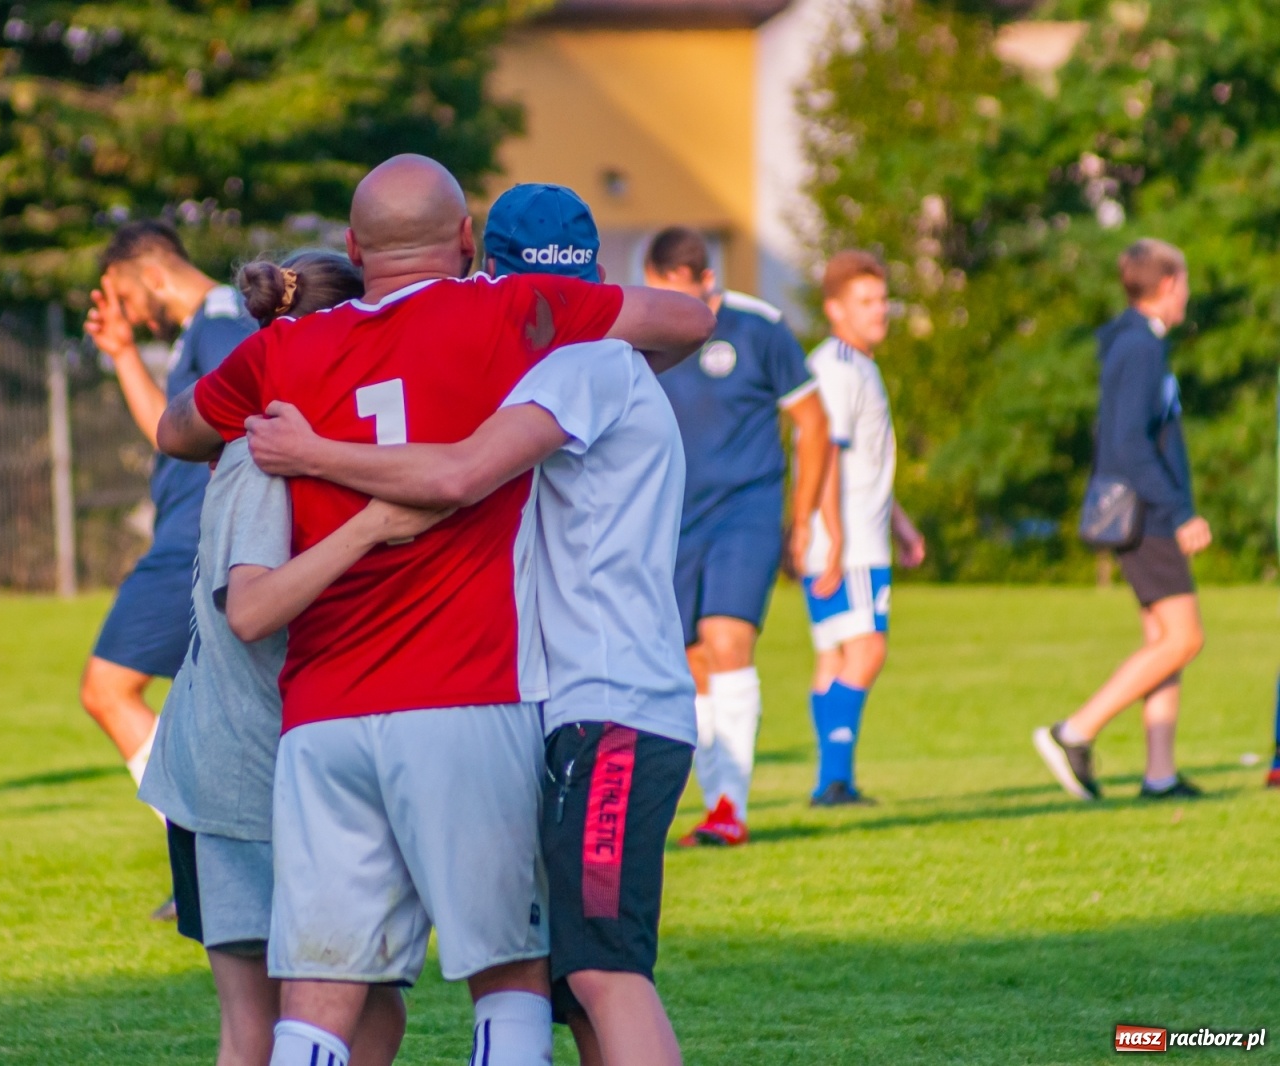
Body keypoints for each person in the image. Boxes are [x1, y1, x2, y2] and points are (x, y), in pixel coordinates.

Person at [157, 155, 713, 1066]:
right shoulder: (514, 317)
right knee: (514, 975)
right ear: (464, 245)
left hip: (322, 717)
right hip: (469, 696)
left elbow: (177, 430)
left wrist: (267, 410)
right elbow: (686, 319)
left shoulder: (282, 354)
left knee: (320, 999)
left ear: (350, 244)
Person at [140, 252, 420, 1066]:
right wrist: (370, 527)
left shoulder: (309, 445)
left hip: (288, 772)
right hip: (234, 783)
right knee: (261, 1029)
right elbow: (252, 611)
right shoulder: (261, 458)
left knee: (369, 1015)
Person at [643, 226, 833, 846]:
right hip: (673, 519)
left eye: (671, 294)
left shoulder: (759, 329)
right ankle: (714, 802)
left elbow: (813, 423)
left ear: (703, 280)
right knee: (691, 659)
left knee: (727, 642)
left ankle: (733, 804)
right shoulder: (648, 336)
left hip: (744, 514)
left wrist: (801, 519)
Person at [80, 220, 256, 802]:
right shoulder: (196, 330)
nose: (129, 312)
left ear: (155, 273)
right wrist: (123, 353)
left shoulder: (222, 315)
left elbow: (244, 397)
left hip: (196, 542)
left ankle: (198, 845)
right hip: (196, 537)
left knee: (106, 689)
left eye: (126, 298)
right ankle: (207, 863)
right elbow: (169, 431)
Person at [1034, 238, 1209, 802]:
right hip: (1150, 516)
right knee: (1184, 638)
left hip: (1148, 512)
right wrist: (1179, 510)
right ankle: (1074, 731)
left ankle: (1159, 774)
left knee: (1162, 639)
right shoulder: (1139, 347)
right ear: (1165, 286)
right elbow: (1130, 442)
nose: (1187, 294)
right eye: (1183, 283)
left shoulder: (1136, 342)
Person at [801, 251, 925, 807]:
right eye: (866, 302)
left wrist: (901, 523)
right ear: (835, 309)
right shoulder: (837, 367)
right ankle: (834, 779)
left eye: (882, 300)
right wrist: (834, 538)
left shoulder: (861, 364)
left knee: (834, 656)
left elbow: (866, 463)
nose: (881, 312)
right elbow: (823, 455)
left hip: (859, 536)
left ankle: (834, 780)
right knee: (867, 650)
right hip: (847, 542)